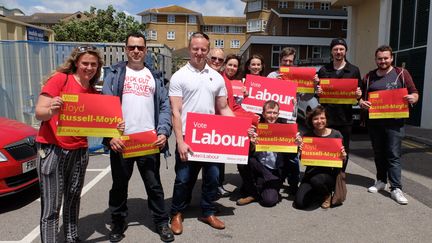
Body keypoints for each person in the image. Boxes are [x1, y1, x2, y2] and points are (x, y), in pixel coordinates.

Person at [102, 33, 174, 242]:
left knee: (154, 185)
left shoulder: (154, 76)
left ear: (145, 50)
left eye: (140, 48)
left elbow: (164, 106)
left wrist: (163, 131)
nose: (136, 51)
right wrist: (110, 136)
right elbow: (105, 109)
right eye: (132, 47)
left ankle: (161, 221)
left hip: (148, 142)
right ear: (126, 49)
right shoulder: (114, 74)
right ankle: (118, 221)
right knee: (119, 186)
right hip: (122, 142)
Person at [35, 45, 104, 243]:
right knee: (52, 205)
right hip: (52, 149)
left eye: (93, 64)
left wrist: (116, 126)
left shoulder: (92, 91)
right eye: (85, 63)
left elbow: (98, 123)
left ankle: (72, 238)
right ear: (76, 63)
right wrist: (51, 110)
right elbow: (39, 111)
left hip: (79, 150)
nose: (89, 67)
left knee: (73, 198)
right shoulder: (60, 79)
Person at [169, 32, 235, 234]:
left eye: (203, 49)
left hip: (211, 138)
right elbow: (176, 112)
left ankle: (207, 211)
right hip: (188, 137)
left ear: (207, 50)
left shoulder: (216, 77)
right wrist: (179, 141)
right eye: (195, 48)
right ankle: (176, 213)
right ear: (190, 49)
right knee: (183, 179)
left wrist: (240, 130)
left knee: (213, 178)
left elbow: (223, 108)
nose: (199, 52)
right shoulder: (179, 76)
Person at [359, 45, 419, 205]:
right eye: (380, 58)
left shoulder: (401, 73)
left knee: (393, 155)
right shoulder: (369, 77)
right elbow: (361, 97)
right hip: (375, 123)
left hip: (395, 123)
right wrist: (361, 102)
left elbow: (414, 92)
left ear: (391, 58)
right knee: (378, 153)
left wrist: (413, 97)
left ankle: (396, 188)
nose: (383, 61)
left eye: (386, 58)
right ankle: (380, 181)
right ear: (376, 59)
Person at [237, 100, 301, 207]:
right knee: (243, 161)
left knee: (269, 201)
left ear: (278, 114)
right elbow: (247, 153)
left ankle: (257, 191)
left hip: (275, 171)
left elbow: (291, 157)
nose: (272, 116)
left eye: (275, 113)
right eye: (269, 112)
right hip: (258, 167)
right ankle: (254, 192)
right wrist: (251, 142)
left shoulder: (285, 130)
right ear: (263, 114)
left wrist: (296, 145)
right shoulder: (256, 129)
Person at [316, 38, 362, 172]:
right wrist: (318, 91)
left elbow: (358, 93)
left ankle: (340, 175)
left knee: (343, 148)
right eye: (335, 49)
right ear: (331, 51)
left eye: (341, 49)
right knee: (326, 146)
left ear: (345, 51)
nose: (338, 52)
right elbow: (318, 93)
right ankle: (326, 174)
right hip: (327, 117)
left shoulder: (353, 70)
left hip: (345, 118)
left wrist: (358, 95)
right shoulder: (324, 70)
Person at [294, 105, 347, 209]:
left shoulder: (336, 135)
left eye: (322, 118)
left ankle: (326, 194)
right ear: (311, 121)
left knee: (317, 180)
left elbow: (342, 163)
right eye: (315, 119)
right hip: (311, 173)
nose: (319, 121)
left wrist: (343, 157)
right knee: (300, 203)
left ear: (326, 119)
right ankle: (317, 191)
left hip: (330, 175)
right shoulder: (307, 136)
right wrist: (301, 153)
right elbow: (305, 161)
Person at [266, 47, 300, 195]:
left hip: (290, 120)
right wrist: (276, 85)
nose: (287, 63)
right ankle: (275, 179)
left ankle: (293, 184)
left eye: (290, 61)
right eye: (285, 61)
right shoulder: (272, 75)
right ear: (279, 61)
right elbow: (263, 97)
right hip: (275, 119)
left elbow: (305, 97)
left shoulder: (298, 76)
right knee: (275, 153)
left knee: (292, 155)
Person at [206, 48, 231, 197]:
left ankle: (212, 196)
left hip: (219, 125)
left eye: (220, 60)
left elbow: (226, 106)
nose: (216, 61)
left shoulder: (222, 80)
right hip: (199, 126)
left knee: (215, 164)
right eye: (213, 58)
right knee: (187, 172)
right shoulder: (198, 74)